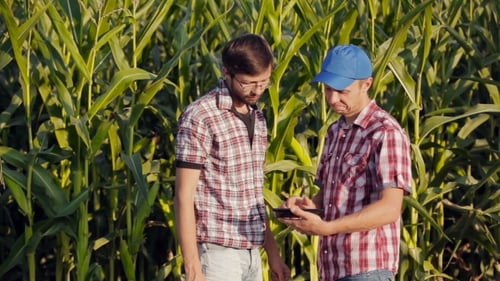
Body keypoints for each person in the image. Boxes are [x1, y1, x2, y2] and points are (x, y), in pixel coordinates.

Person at [279, 44, 412, 281]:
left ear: (366, 84)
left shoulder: (385, 132)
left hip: (367, 269)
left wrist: (327, 228)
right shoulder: (334, 131)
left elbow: (390, 208)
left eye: (342, 91)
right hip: (332, 269)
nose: (332, 98)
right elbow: (333, 198)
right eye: (328, 89)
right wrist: (308, 207)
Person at [174, 33, 290, 281]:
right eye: (248, 83)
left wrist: (273, 254)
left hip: (252, 251)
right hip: (217, 254)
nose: (257, 90)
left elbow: (253, 194)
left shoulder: (257, 118)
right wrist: (193, 267)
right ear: (227, 72)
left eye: (264, 82)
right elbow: (184, 195)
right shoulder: (201, 116)